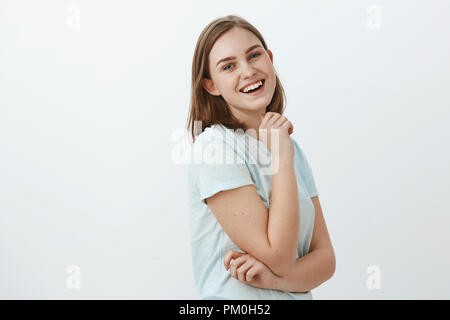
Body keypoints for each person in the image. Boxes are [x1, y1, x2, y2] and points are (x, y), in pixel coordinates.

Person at [185, 14, 335, 300]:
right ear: (211, 85)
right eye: (228, 66)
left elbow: (326, 260)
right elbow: (279, 257)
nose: (248, 70)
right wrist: (280, 157)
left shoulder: (290, 149)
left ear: (269, 58)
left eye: (254, 56)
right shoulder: (214, 148)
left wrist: (275, 279)